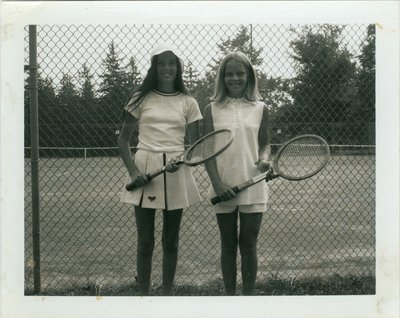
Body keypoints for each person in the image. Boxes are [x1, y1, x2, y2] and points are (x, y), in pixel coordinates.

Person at [118, 43, 203, 296]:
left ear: (178, 67)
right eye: (162, 63)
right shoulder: (140, 97)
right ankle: (143, 297)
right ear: (154, 67)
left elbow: (195, 147)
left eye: (171, 63)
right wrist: (134, 172)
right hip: (144, 168)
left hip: (176, 172)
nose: (167, 68)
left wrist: (184, 161)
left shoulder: (188, 101)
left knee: (171, 240)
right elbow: (123, 141)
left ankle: (167, 297)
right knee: (145, 242)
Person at [203, 52, 271, 296]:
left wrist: (264, 160)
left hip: (253, 185)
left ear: (249, 76)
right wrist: (217, 184)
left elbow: (265, 143)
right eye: (229, 73)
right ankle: (230, 300)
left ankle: (248, 301)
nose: (234, 78)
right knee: (228, 245)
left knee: (249, 245)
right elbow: (207, 152)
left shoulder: (261, 108)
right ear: (222, 77)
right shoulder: (211, 109)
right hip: (223, 187)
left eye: (240, 73)